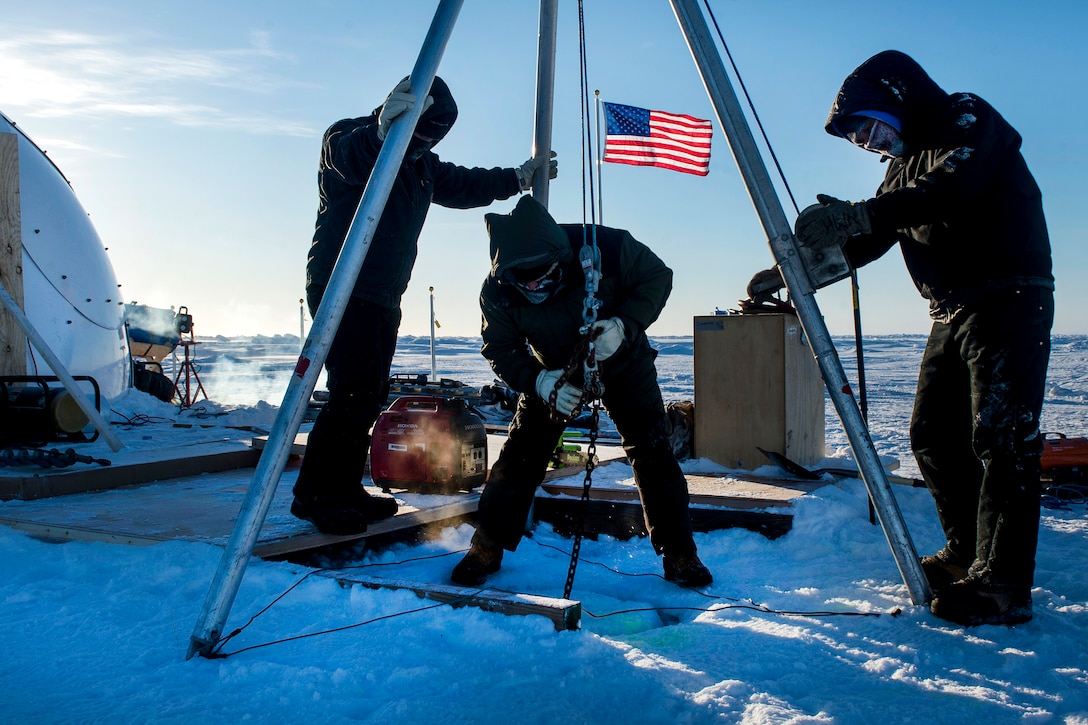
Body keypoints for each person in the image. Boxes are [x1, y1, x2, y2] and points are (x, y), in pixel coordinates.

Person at [749, 50, 1054, 626]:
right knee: (934, 436)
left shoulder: (963, 119)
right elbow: (871, 236)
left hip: (1008, 294)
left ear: (895, 97)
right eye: (854, 137)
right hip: (952, 308)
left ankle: (1003, 582)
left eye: (865, 125)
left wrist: (858, 215)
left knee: (1002, 436)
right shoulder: (904, 169)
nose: (864, 141)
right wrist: (795, 271)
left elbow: (951, 189)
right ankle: (968, 550)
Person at [292, 76, 557, 535]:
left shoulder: (422, 166)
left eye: (436, 135)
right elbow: (351, 159)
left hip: (383, 292)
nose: (427, 142)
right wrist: (381, 130)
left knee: (370, 395)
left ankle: (344, 489)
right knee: (351, 392)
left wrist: (518, 178)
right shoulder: (349, 136)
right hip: (341, 285)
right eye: (423, 131)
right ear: (403, 116)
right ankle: (315, 496)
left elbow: (466, 184)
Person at [450, 195, 713, 589]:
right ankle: (486, 546)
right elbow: (500, 348)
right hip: (554, 372)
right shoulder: (498, 291)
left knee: (653, 450)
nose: (534, 284)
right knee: (522, 453)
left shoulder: (606, 247)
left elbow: (657, 276)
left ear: (559, 256)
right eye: (524, 279)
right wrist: (538, 381)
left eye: (541, 273)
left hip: (623, 360)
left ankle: (680, 553)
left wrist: (624, 324)